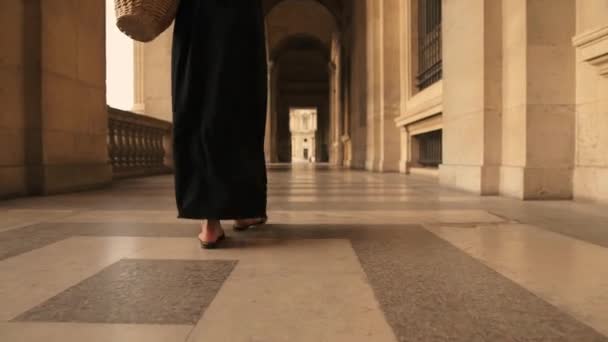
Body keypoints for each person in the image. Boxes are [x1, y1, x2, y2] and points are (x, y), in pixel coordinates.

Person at [171, 0, 268, 249]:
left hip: (197, 13)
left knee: (198, 99)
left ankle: (210, 222)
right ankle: (243, 208)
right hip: (239, 15)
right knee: (240, 103)